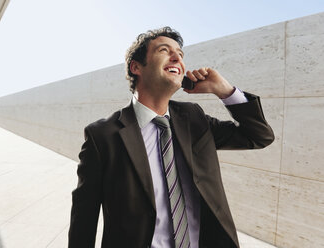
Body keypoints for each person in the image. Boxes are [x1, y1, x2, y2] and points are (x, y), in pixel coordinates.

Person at [68, 27, 274, 248]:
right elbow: (84, 217)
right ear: (136, 67)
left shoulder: (194, 118)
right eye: (164, 51)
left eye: (180, 54)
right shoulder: (103, 135)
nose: (177, 57)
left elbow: (258, 136)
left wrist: (224, 91)